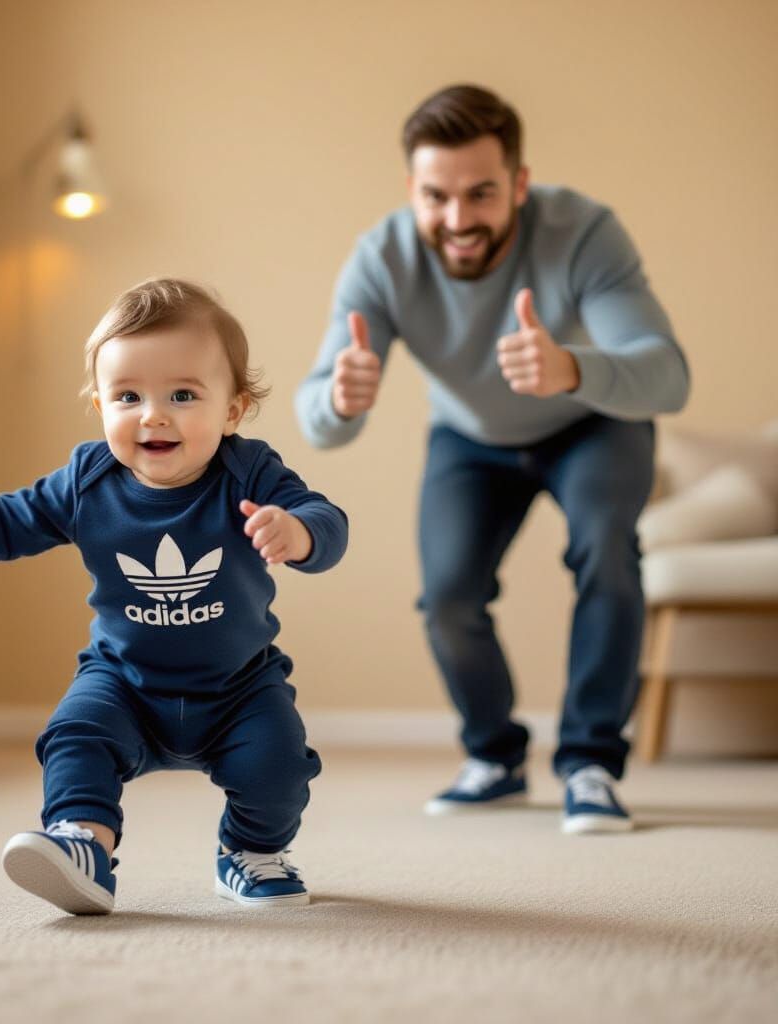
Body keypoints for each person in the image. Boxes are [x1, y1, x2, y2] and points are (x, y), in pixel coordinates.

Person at [0, 278, 348, 913]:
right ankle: (82, 845)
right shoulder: (87, 481)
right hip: (124, 681)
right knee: (75, 736)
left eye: (183, 394)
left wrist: (300, 532)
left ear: (233, 410)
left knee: (279, 767)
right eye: (128, 396)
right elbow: (10, 519)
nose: (153, 413)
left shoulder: (251, 472)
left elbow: (326, 518)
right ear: (101, 408)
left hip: (240, 686)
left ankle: (251, 851)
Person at [296, 84, 689, 835]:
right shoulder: (382, 257)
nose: (457, 220)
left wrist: (571, 369)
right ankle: (495, 758)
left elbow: (667, 376)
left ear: (519, 183)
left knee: (606, 551)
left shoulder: (584, 232)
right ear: (412, 189)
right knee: (447, 597)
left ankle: (591, 764)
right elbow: (323, 429)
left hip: (592, 425)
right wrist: (341, 400)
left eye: (480, 194)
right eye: (435, 196)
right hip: (469, 440)